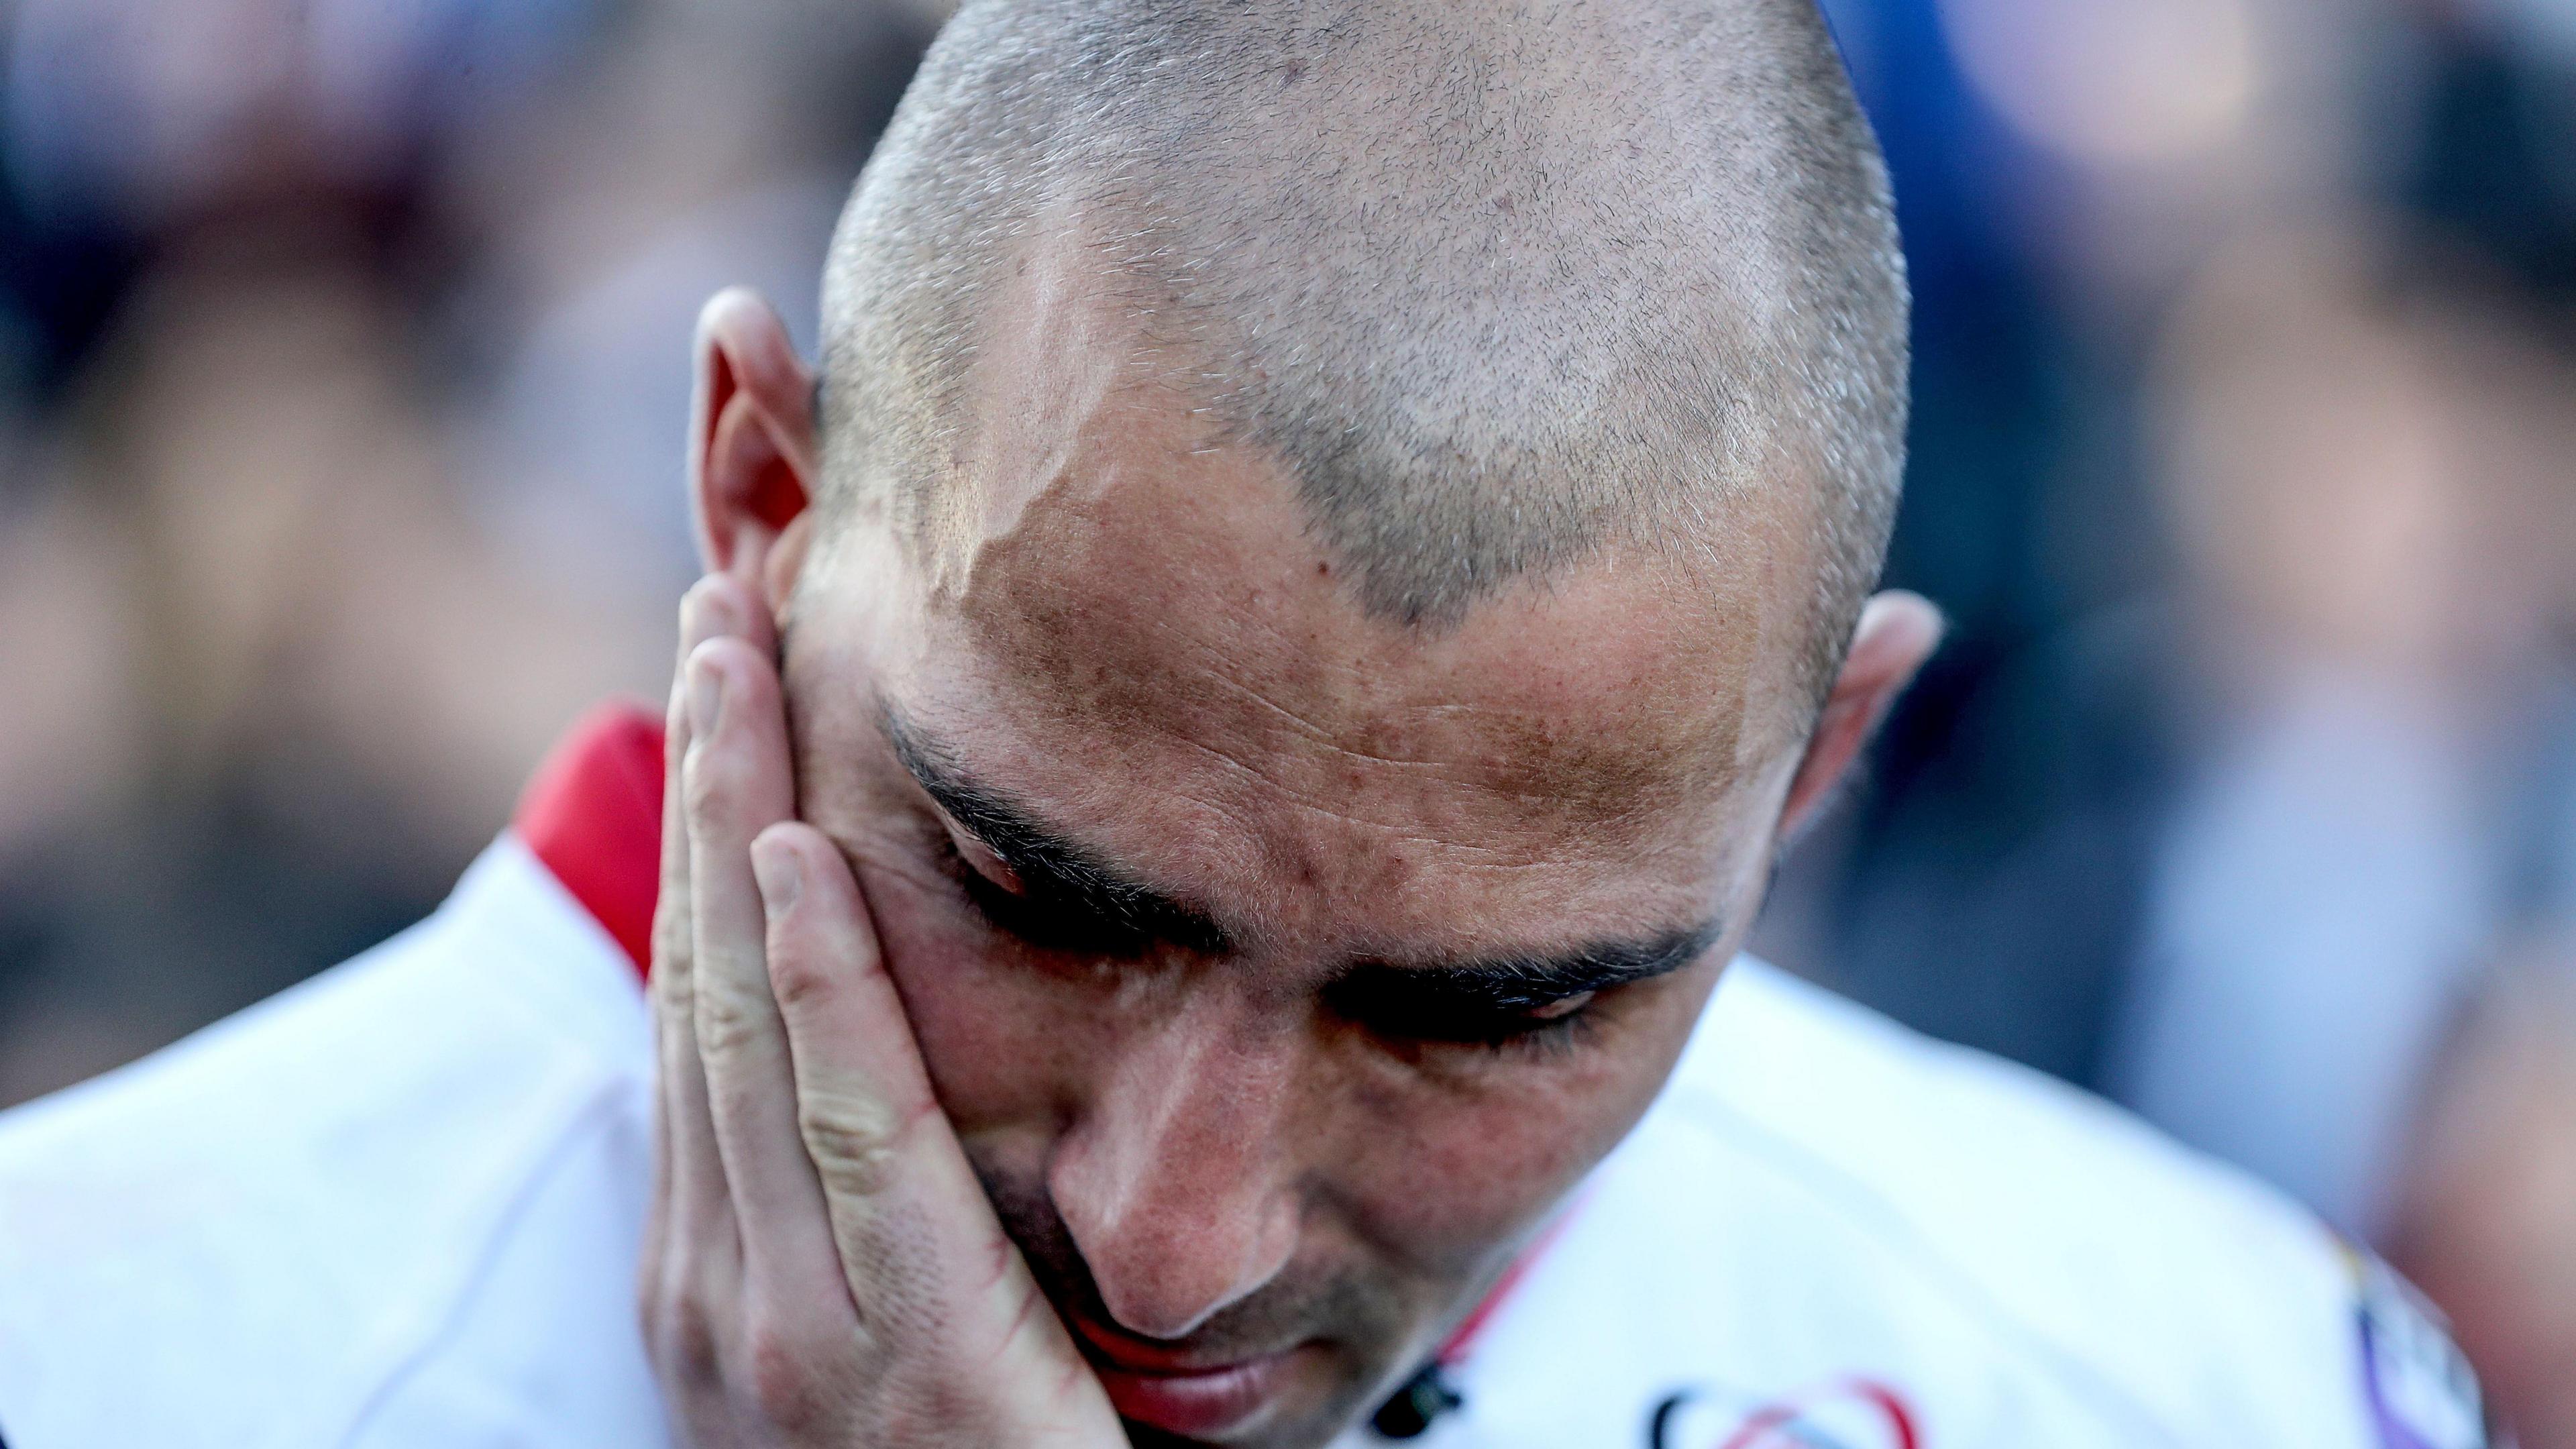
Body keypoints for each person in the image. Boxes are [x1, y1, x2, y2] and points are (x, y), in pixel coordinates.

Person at [0, 2, 2492, 1446]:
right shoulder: (95, 1350)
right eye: (1040, 895)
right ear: (758, 499)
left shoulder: (2194, 1378)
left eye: (1488, 1008)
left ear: (1812, 767)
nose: (1164, 1241)